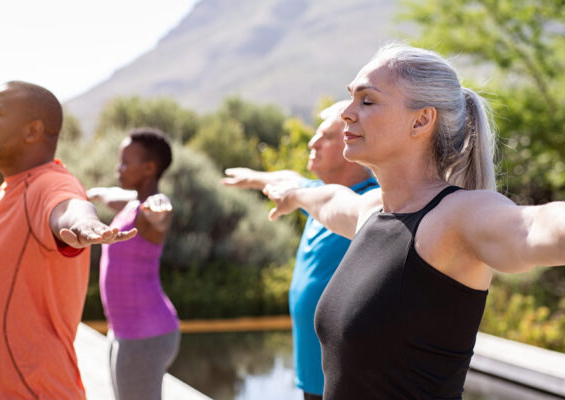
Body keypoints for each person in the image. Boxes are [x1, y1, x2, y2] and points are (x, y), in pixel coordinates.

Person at [263, 43, 565, 399]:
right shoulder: (372, 211)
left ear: (421, 120)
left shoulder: (454, 218)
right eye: (351, 98)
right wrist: (293, 193)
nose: (346, 113)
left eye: (367, 101)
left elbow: (535, 226)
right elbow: (328, 199)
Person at [0, 81, 137, 399]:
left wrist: (86, 225)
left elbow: (70, 208)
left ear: (32, 131)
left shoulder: (50, 185)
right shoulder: (9, 193)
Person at [222, 102, 378, 400]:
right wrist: (254, 178)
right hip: (312, 379)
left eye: (326, 137)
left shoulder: (369, 205)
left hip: (350, 383)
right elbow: (287, 179)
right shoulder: (313, 198)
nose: (312, 143)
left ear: (353, 147)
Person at [87, 127, 180, 400]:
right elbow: (111, 195)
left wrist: (159, 211)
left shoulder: (148, 211)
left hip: (145, 334)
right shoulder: (130, 203)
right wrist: (92, 192)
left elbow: (160, 214)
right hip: (125, 330)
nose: (119, 168)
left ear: (149, 168)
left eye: (126, 162)